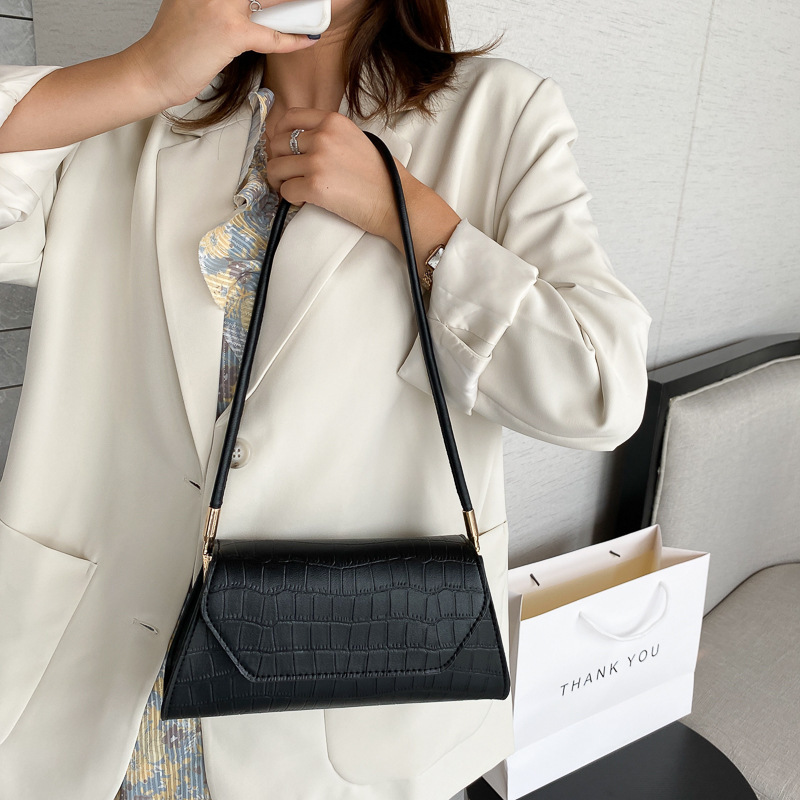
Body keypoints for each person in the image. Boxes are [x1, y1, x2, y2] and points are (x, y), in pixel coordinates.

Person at [0, 0, 652, 798]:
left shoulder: (498, 114)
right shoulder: (137, 113)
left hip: (339, 702)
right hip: (95, 686)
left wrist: (409, 217)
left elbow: (600, 391)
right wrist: (141, 73)